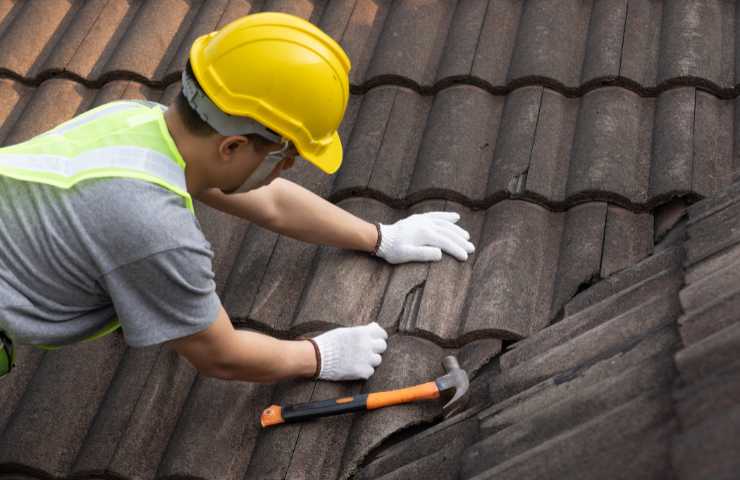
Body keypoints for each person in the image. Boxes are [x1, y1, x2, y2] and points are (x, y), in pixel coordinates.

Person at [0, 13, 474, 383]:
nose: (285, 168)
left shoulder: (137, 120)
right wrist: (318, 355)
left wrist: (380, 236)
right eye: (285, 155)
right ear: (231, 146)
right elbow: (219, 354)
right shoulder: (155, 230)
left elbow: (271, 203)